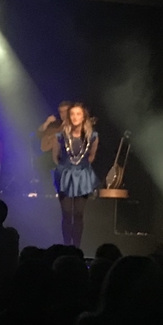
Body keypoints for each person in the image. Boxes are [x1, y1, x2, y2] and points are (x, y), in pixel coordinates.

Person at [52, 102, 100, 248]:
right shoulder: (61, 136)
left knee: (78, 214)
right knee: (66, 213)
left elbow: (91, 155)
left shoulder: (92, 136)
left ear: (84, 116)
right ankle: (67, 246)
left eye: (78, 114)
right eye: (72, 114)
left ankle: (76, 247)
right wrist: (64, 169)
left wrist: (82, 166)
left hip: (83, 176)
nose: (75, 117)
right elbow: (55, 156)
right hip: (65, 175)